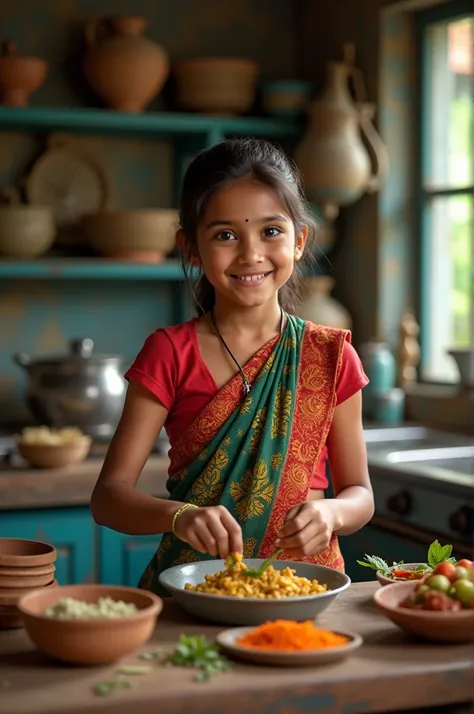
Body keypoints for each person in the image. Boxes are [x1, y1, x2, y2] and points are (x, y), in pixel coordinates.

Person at [90, 138, 374, 594]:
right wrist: (178, 516)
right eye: (225, 235)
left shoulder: (331, 356)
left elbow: (360, 493)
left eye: (271, 231)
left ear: (299, 240)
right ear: (191, 250)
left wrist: (332, 513)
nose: (251, 254)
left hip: (305, 592)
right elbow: (108, 499)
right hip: (196, 589)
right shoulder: (169, 352)